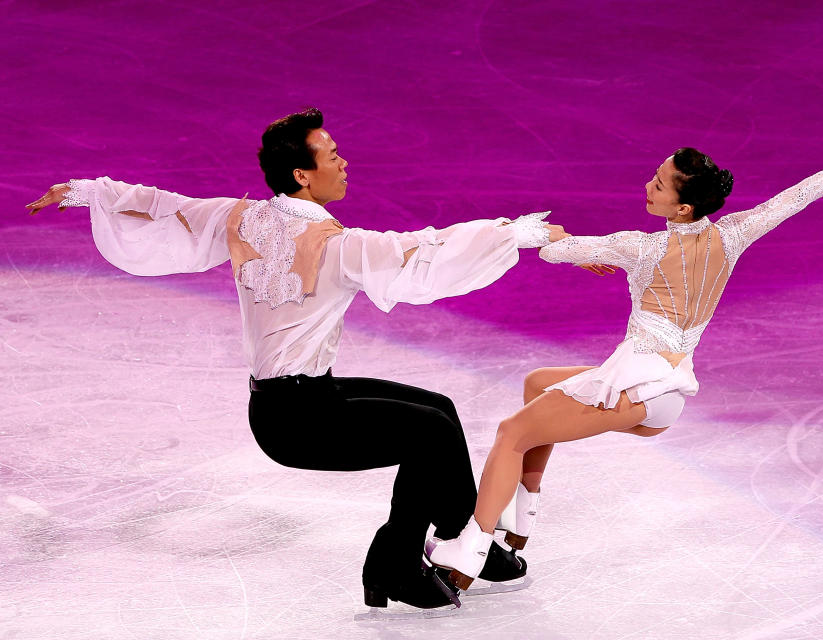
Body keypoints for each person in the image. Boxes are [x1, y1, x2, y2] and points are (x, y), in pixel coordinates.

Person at [25, 108, 571, 610]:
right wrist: (514, 233)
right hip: (300, 422)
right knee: (426, 432)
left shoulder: (242, 219)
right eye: (332, 155)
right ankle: (394, 566)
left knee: (439, 407)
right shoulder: (333, 243)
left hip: (297, 401)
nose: (344, 161)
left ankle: (463, 539)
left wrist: (87, 191)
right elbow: (418, 253)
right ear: (303, 175)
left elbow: (171, 209)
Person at [425, 149, 823, 590]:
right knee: (538, 385)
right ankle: (522, 518)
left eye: (659, 184)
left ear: (682, 207)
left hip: (634, 385)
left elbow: (552, 250)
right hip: (667, 398)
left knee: (512, 433)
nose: (647, 186)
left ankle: (469, 551)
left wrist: (558, 239)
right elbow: (800, 194)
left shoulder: (642, 248)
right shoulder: (734, 234)